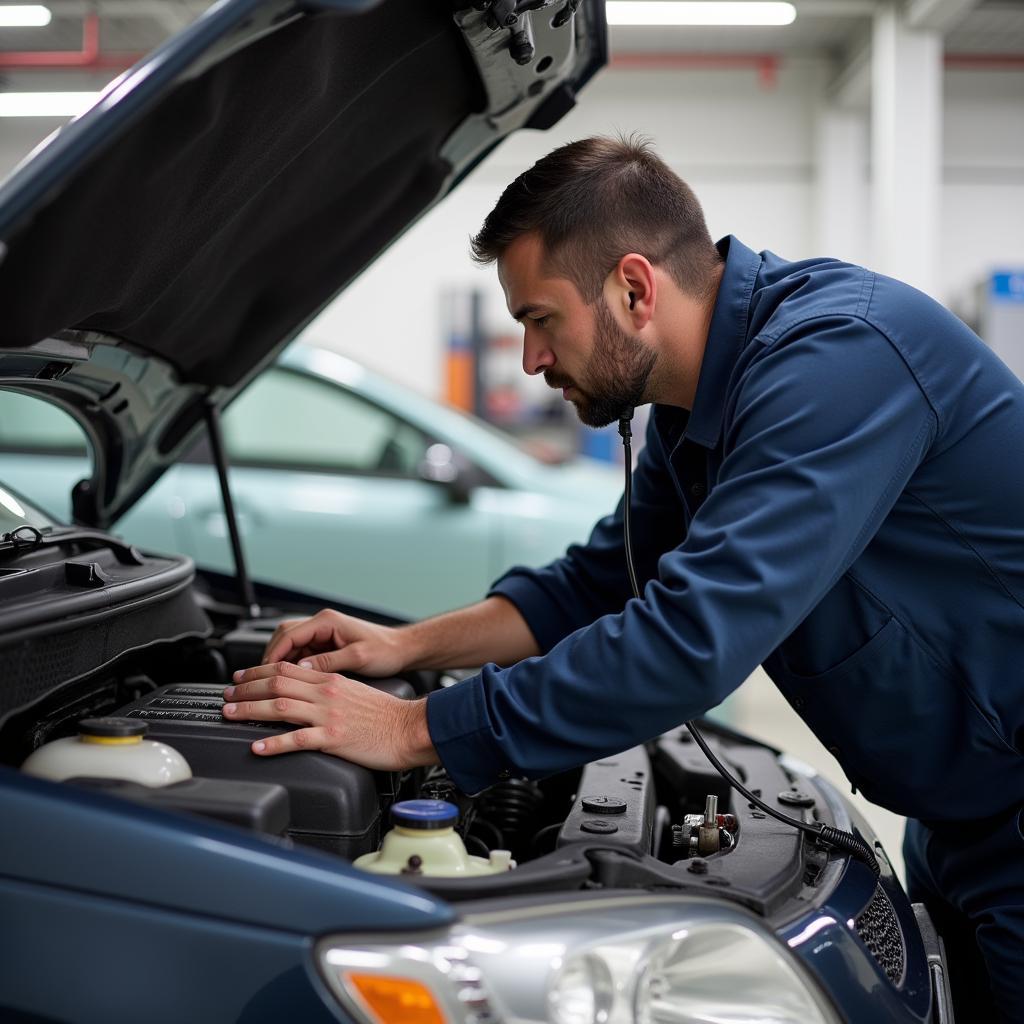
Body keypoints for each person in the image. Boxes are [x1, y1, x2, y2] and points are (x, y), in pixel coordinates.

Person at [221, 136, 1024, 1020]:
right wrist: (402, 646)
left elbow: (686, 643)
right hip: (961, 821)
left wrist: (416, 730)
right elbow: (593, 586)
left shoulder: (840, 359)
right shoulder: (697, 411)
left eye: (539, 319)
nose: (529, 359)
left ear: (634, 289)